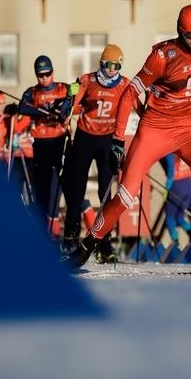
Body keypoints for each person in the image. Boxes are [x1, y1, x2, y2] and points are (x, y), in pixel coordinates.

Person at [68, 4, 191, 273]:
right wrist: (118, 141)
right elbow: (129, 93)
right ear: (179, 32)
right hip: (155, 129)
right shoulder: (163, 55)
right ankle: (86, 248)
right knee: (126, 197)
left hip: (190, 128)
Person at [60, 44, 134, 262]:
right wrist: (69, 96)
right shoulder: (88, 80)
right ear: (101, 63)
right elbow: (71, 108)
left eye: (116, 65)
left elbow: (140, 106)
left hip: (107, 140)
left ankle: (104, 242)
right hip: (85, 136)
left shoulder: (124, 84)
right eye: (108, 64)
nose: (111, 69)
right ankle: (71, 235)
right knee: (77, 187)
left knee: (105, 191)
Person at [19, 55, 73, 237]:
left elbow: (73, 99)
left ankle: (66, 234)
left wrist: (62, 108)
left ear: (53, 72)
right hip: (40, 145)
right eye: (40, 75)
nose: (44, 78)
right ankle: (42, 234)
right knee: (41, 190)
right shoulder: (32, 92)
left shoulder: (62, 88)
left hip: (60, 143)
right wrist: (44, 112)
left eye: (47, 74)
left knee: (63, 188)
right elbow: (22, 107)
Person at [160, 153, 191, 246]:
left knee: (170, 217)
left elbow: (170, 174)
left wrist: (166, 190)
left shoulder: (169, 153)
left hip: (177, 186)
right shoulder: (182, 150)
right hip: (188, 185)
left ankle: (177, 244)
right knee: (179, 217)